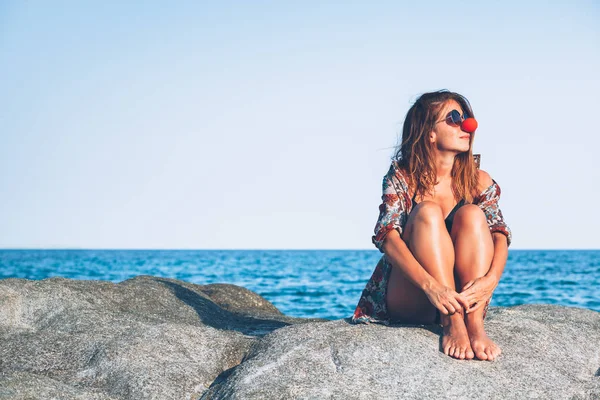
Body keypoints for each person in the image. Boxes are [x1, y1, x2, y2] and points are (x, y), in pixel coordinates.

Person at [351, 90, 512, 361]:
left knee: (473, 214)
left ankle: (473, 324)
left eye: (466, 117)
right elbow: (387, 236)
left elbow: (500, 234)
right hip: (416, 294)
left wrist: (490, 281)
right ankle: (452, 322)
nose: (466, 125)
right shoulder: (402, 177)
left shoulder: (479, 180)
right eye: (454, 118)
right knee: (427, 212)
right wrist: (431, 287)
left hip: (466, 298)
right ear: (430, 132)